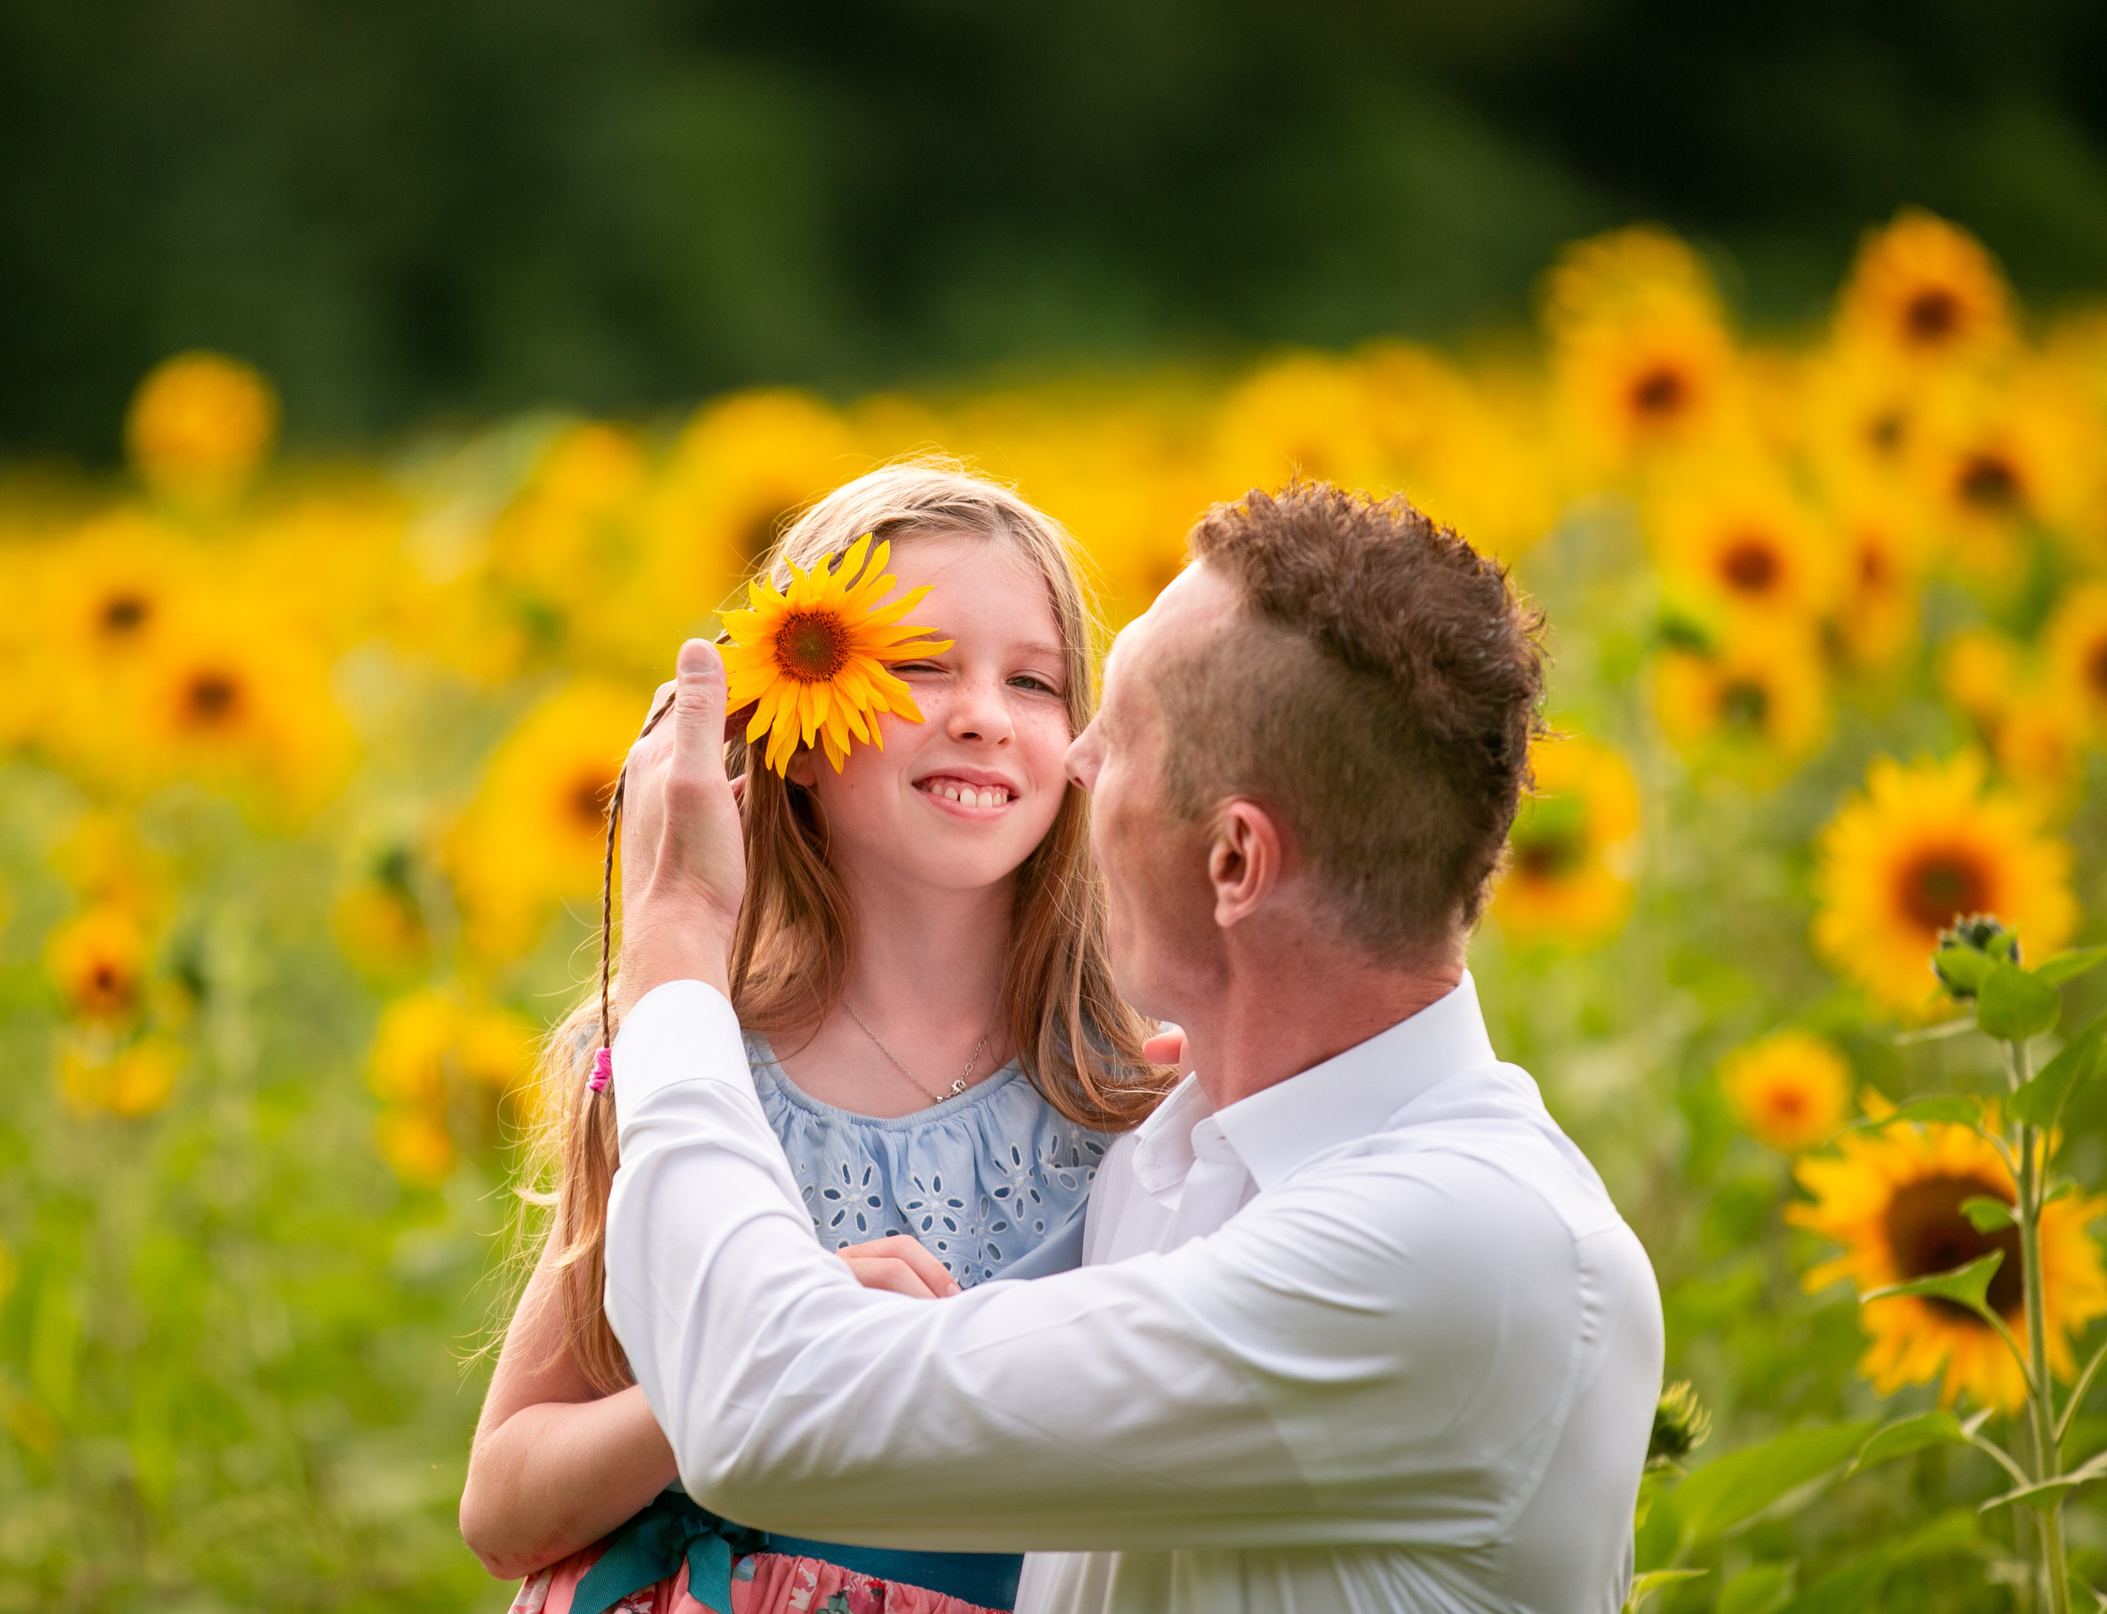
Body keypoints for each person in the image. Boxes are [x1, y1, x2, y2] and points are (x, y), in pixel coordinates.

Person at [599, 482, 1664, 1614]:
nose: (1074, 761)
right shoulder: (1180, 1144)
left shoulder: (1461, 1250)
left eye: (1123, 730)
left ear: (1234, 863)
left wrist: (674, 943)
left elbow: (767, 1413)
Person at [461, 466, 1167, 1614]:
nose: (983, 711)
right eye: (923, 664)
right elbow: (501, 1508)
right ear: (797, 708)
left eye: (1034, 682)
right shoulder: (696, 1062)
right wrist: (758, 1364)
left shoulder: (1127, 1083)